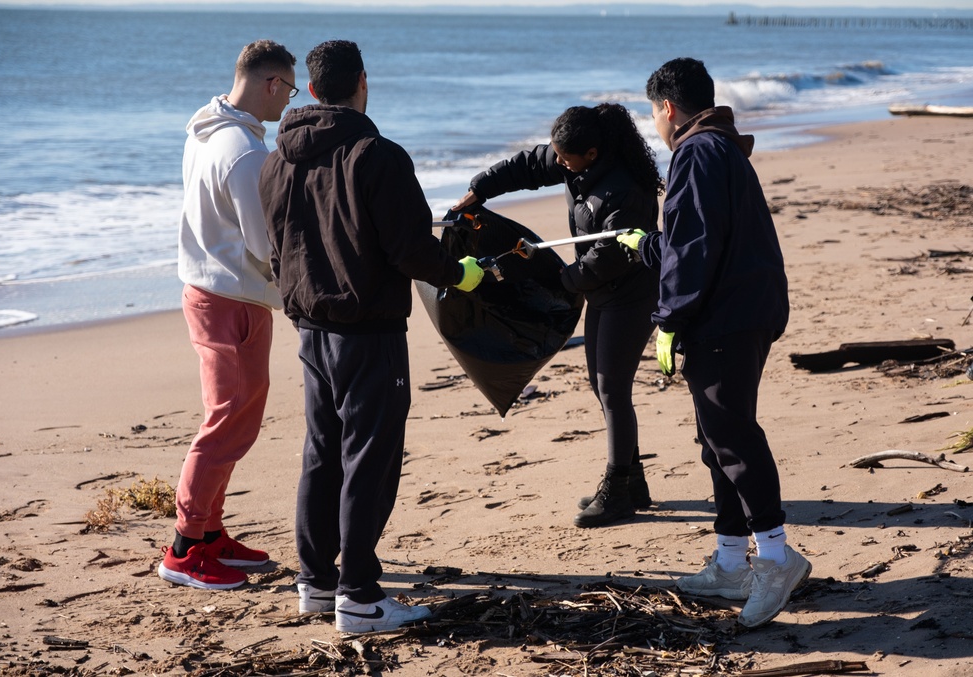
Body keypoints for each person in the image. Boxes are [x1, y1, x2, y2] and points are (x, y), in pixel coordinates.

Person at [258, 39, 484, 633]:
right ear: (363, 81)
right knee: (369, 459)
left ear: (310, 90)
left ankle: (317, 580)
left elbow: (277, 250)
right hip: (368, 332)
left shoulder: (277, 159)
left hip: (311, 330)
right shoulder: (376, 154)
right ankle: (357, 594)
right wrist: (459, 273)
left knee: (322, 451)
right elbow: (410, 249)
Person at [618, 57, 811, 628]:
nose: (653, 122)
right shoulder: (718, 147)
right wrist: (648, 246)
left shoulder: (697, 152)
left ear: (668, 108)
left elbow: (697, 245)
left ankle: (775, 558)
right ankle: (730, 560)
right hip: (741, 308)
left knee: (730, 432)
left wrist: (669, 318)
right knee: (714, 434)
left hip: (727, 316)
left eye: (652, 111)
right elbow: (691, 240)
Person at [451, 104, 662, 529]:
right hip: (602, 293)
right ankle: (634, 481)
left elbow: (608, 257)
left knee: (612, 387)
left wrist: (560, 280)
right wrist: (480, 189)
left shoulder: (626, 190)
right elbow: (528, 166)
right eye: (558, 155)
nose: (559, 162)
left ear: (593, 153)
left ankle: (618, 489)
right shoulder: (573, 158)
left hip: (631, 294)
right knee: (600, 386)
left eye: (566, 158)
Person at [158, 39, 298, 591]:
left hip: (208, 288)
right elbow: (266, 246)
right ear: (270, 83)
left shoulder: (206, 128)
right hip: (231, 298)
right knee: (227, 421)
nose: (288, 103)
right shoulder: (244, 151)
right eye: (287, 90)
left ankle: (210, 531)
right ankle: (186, 547)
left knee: (233, 416)